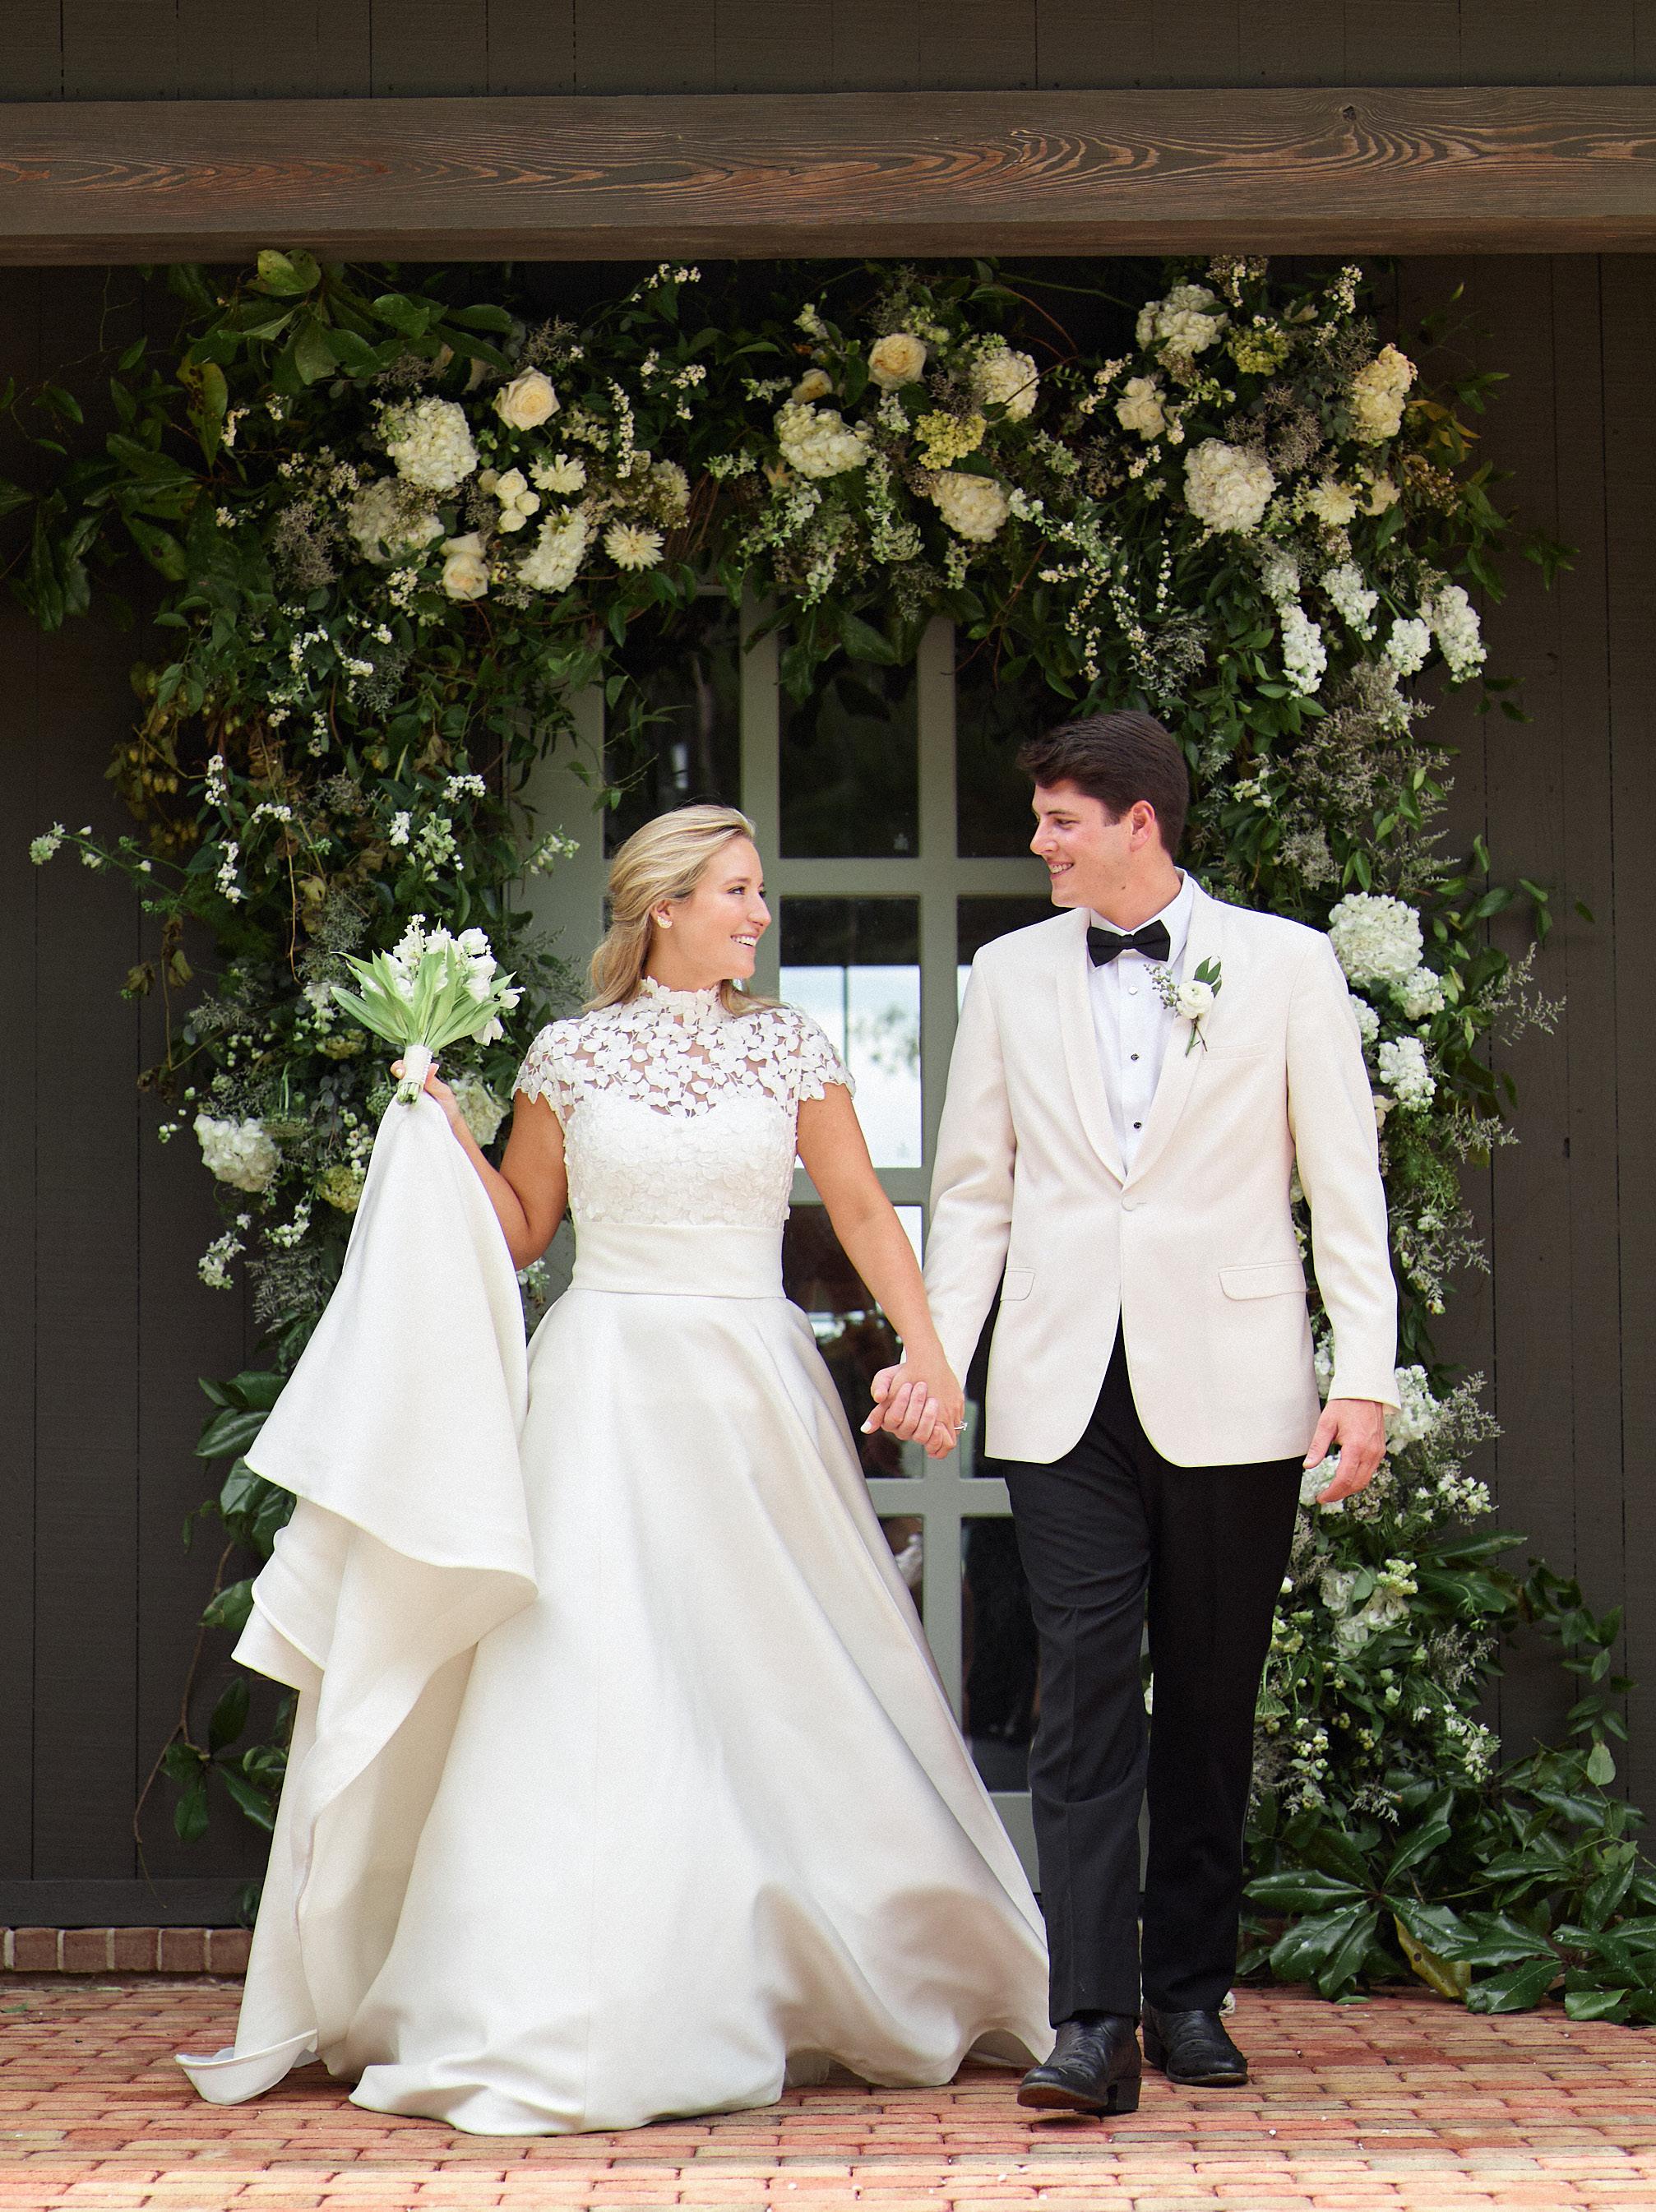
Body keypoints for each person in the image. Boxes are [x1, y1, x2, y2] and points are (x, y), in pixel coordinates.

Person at [181, 802, 1049, 2136]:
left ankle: (834, 1958)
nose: (758, 914)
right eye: (737, 890)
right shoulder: (568, 1055)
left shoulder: (790, 1047)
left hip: (749, 1386)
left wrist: (930, 1350)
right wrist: (438, 1129)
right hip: (599, 1391)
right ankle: (591, 1983)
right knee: (597, 1671)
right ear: (665, 906)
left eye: (757, 890)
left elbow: (862, 1208)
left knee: (780, 1670)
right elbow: (525, 1227)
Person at [871, 713, 1398, 2117]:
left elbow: (1343, 1183)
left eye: (1059, 820)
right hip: (1060, 1391)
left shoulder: (1284, 963)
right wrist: (940, 1353)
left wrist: (1362, 1373)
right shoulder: (1006, 973)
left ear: (1137, 824)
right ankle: (1089, 2021)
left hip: (1236, 1383)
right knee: (1085, 1691)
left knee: (1210, 1697)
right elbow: (973, 1189)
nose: (1037, 842)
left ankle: (1188, 1994)